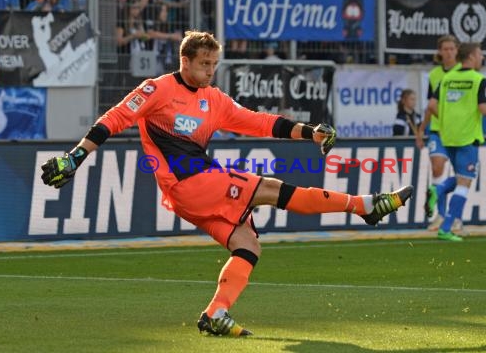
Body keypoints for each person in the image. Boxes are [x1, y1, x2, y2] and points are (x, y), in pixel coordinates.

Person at [40, 31, 414, 337]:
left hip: (192, 193)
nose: (210, 71)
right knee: (268, 188)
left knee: (248, 245)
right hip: (190, 182)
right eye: (204, 64)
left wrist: (309, 133)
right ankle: (364, 206)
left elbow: (259, 122)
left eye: (214, 65)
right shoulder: (157, 90)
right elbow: (115, 118)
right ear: (184, 61)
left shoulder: (214, 99)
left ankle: (215, 313)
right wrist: (75, 157)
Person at [429, 42, 486, 241]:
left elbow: (432, 105)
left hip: (447, 136)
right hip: (467, 137)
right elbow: (484, 109)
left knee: (461, 177)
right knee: (464, 183)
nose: (482, 58)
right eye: (480, 54)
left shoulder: (447, 78)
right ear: (471, 57)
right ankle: (446, 226)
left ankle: (438, 191)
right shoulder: (478, 79)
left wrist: (449, 120)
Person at [416, 35, 462, 232]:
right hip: (438, 130)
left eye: (452, 49)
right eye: (445, 49)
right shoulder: (434, 74)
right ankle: (440, 215)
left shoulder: (463, 72)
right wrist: (420, 130)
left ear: (457, 51)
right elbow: (430, 105)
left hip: (460, 131)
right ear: (440, 52)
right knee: (437, 168)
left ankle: (455, 217)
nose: (449, 52)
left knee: (462, 175)